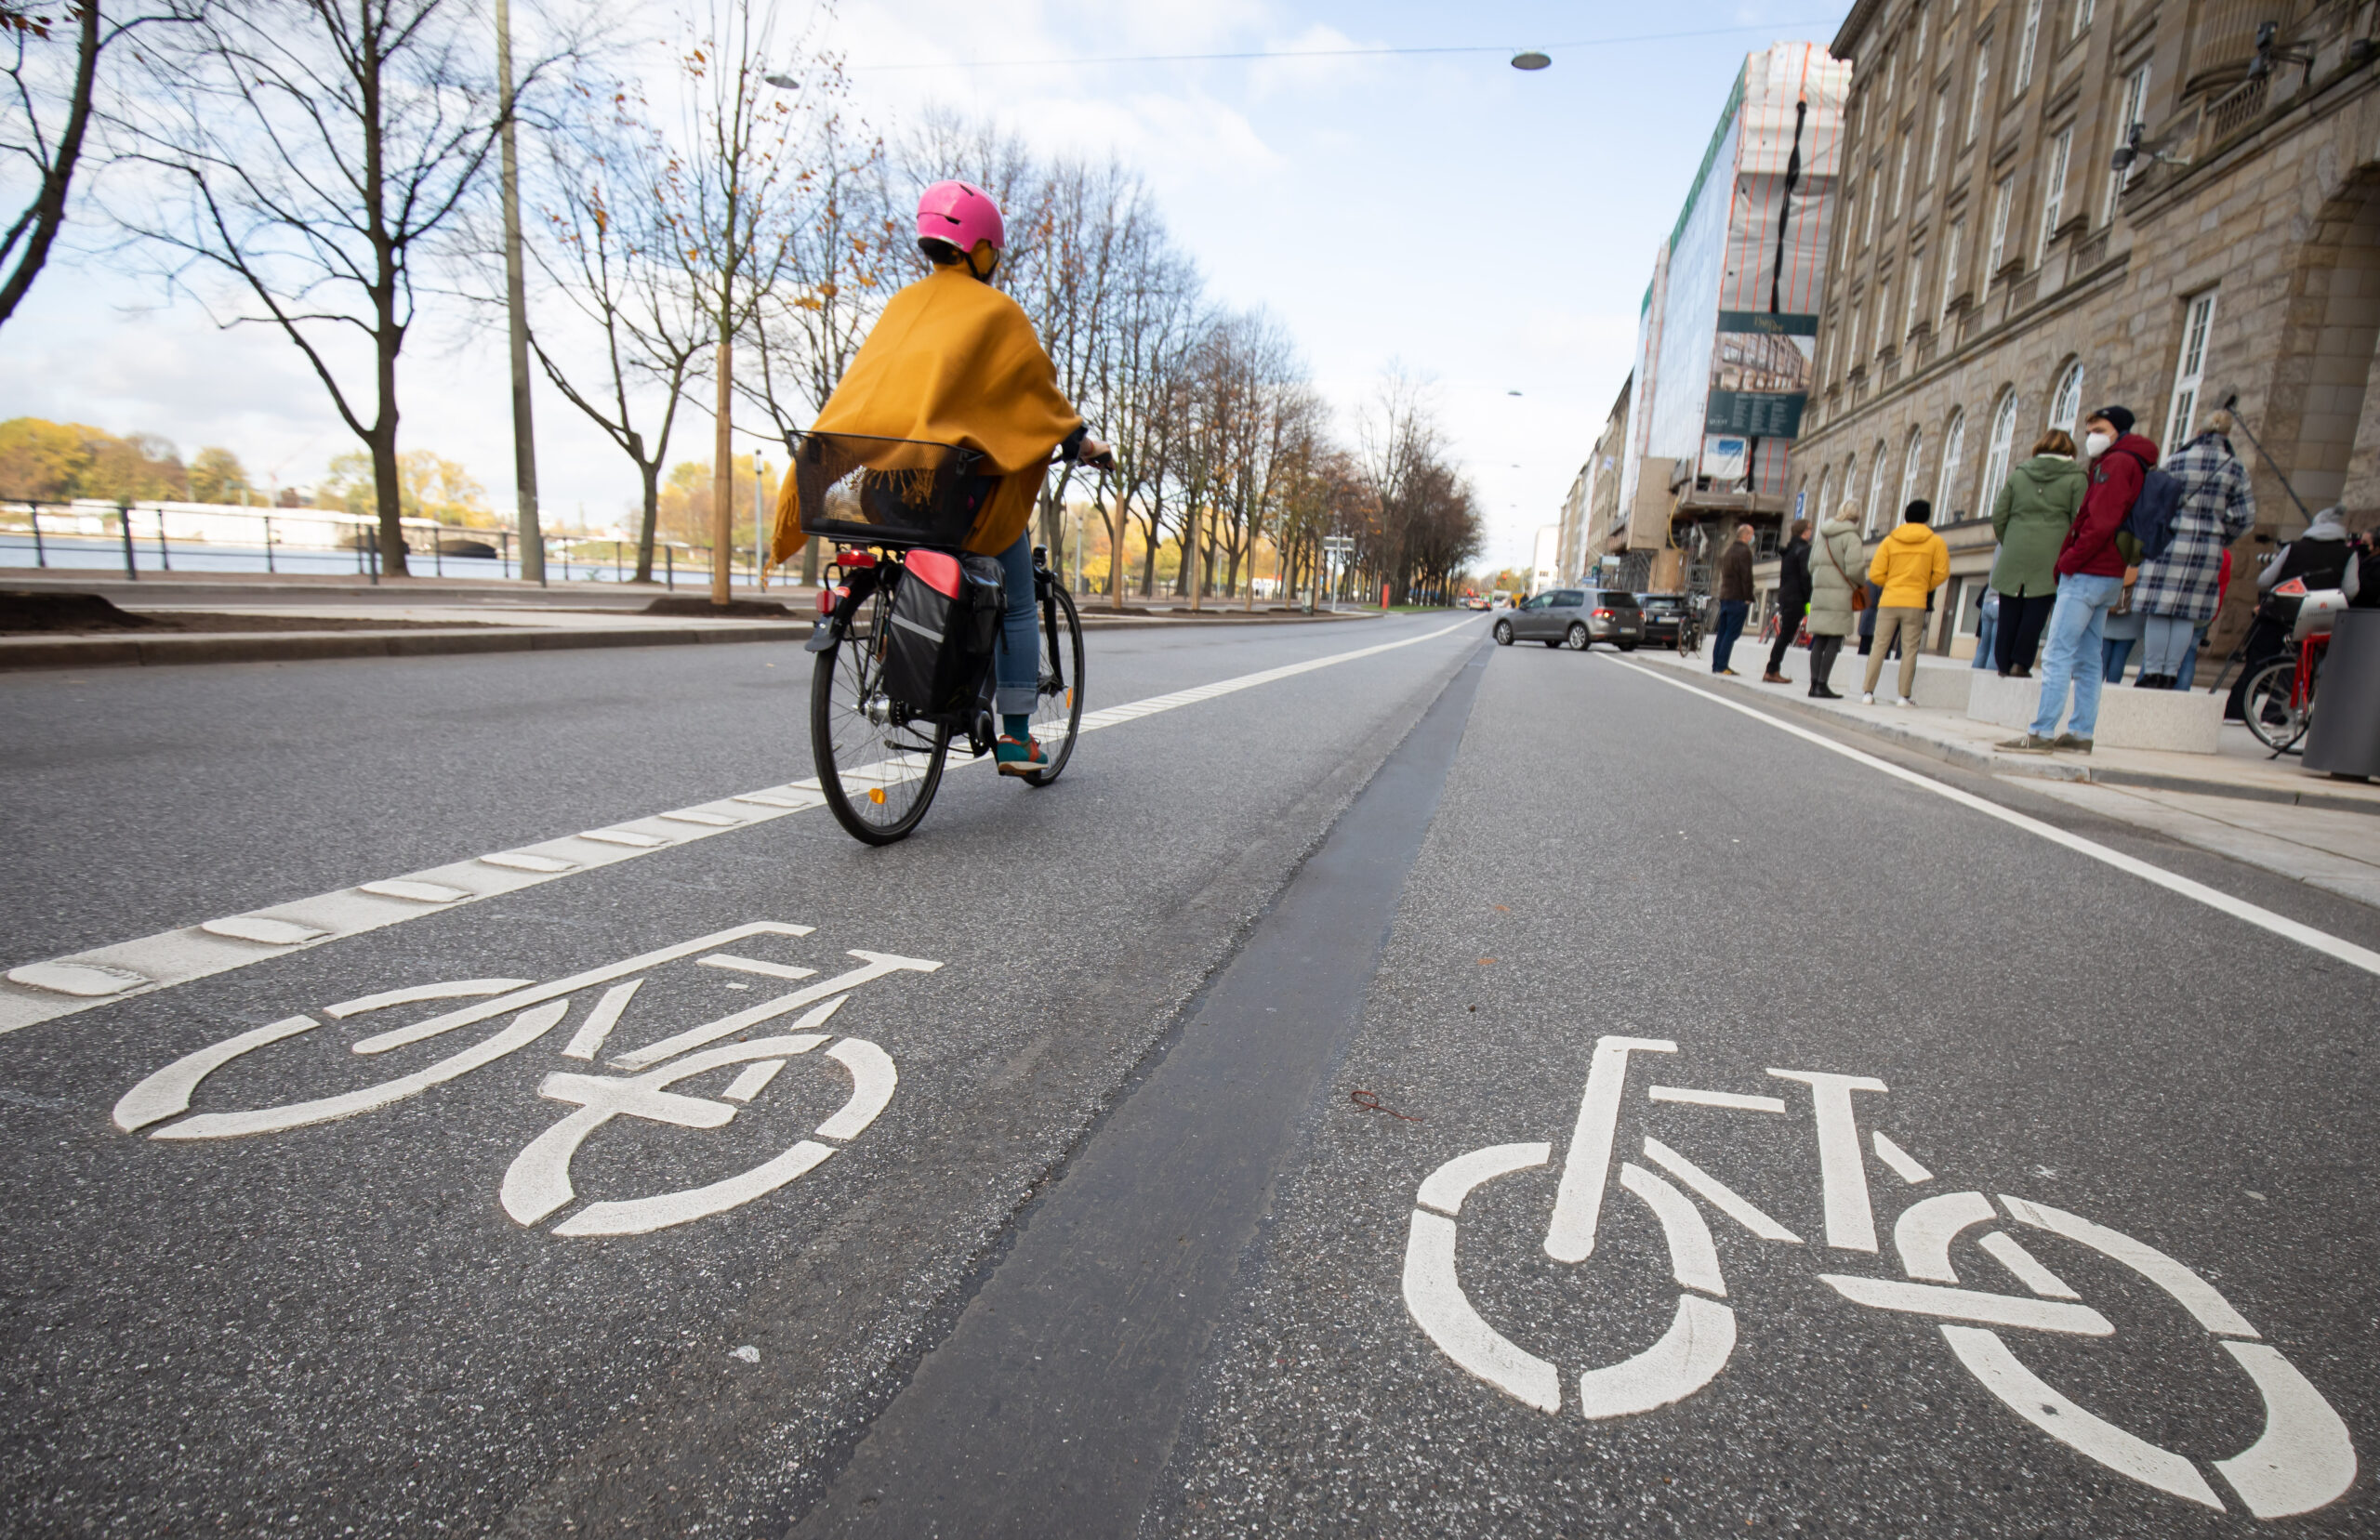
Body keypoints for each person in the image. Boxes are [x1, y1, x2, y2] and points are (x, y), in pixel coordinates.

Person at [770, 180, 1109, 776]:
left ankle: (907, 668)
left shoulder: (902, 308)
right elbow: (1038, 399)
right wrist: (1084, 443)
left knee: (916, 565)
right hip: (952, 498)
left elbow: (867, 392)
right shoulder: (996, 314)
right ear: (982, 249)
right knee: (1019, 601)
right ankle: (1016, 738)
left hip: (884, 492)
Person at [2002, 406, 2155, 754]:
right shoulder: (2133, 463)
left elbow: (2099, 521)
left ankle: (2040, 732)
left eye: (2097, 429)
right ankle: (2081, 733)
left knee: (2058, 653)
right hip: (2108, 572)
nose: (2090, 437)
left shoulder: (2116, 464)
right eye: (2087, 431)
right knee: (2088, 657)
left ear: (2117, 430)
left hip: (2088, 570)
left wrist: (2068, 561)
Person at [2131, 411, 2255, 689]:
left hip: (2167, 542)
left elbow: (2152, 502)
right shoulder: (2234, 467)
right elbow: (2245, 517)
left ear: (2198, 431)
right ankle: (2169, 673)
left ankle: (2151, 670)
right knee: (2187, 612)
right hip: (2206, 546)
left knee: (2159, 609)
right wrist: (2220, 536)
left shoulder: (2175, 461)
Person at [1988, 429, 2087, 677]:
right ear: (2070, 452)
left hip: (2015, 550)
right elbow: (2080, 520)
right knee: (2037, 610)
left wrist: (2009, 540)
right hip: (2051, 552)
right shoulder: (2077, 479)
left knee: (2009, 607)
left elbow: (1999, 516)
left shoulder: (2019, 475)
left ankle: (2002, 662)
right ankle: (2021, 662)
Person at [1861, 500, 1950, 704]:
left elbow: (1875, 574)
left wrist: (1891, 583)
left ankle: (1867, 692)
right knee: (1909, 649)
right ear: (1927, 517)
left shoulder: (1890, 542)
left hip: (1890, 599)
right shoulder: (1935, 542)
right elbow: (1942, 573)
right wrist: (1924, 585)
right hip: (1915, 602)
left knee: (1879, 646)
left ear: (1905, 516)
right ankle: (1903, 696)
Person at [1805, 501, 1863, 698]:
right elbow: (1855, 569)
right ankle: (1822, 684)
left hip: (1820, 593)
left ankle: (1813, 685)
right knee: (1835, 638)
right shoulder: (1851, 537)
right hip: (1841, 593)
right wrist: (1859, 584)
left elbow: (1811, 564)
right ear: (1857, 517)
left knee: (1819, 637)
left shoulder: (1823, 533)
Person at [1763, 518, 1813, 683]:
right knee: (1786, 635)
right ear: (1804, 531)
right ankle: (1772, 670)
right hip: (1796, 597)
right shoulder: (1804, 549)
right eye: (1810, 529)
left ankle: (1773, 669)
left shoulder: (1790, 549)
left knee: (1785, 634)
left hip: (1785, 594)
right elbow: (1805, 575)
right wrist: (1808, 598)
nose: (1811, 532)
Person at [1712, 524, 1754, 676]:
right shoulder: (1744, 552)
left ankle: (1717, 664)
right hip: (1738, 597)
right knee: (1731, 633)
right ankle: (1722, 665)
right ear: (1746, 535)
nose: (1752, 538)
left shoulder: (1729, 551)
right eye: (1751, 535)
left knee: (1723, 632)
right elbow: (1746, 576)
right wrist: (1748, 597)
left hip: (1725, 596)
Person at [1970, 587, 2000, 670]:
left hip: (1987, 603)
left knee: (1983, 645)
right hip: (1999, 602)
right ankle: (1989, 678)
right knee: (1995, 647)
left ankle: (1975, 673)